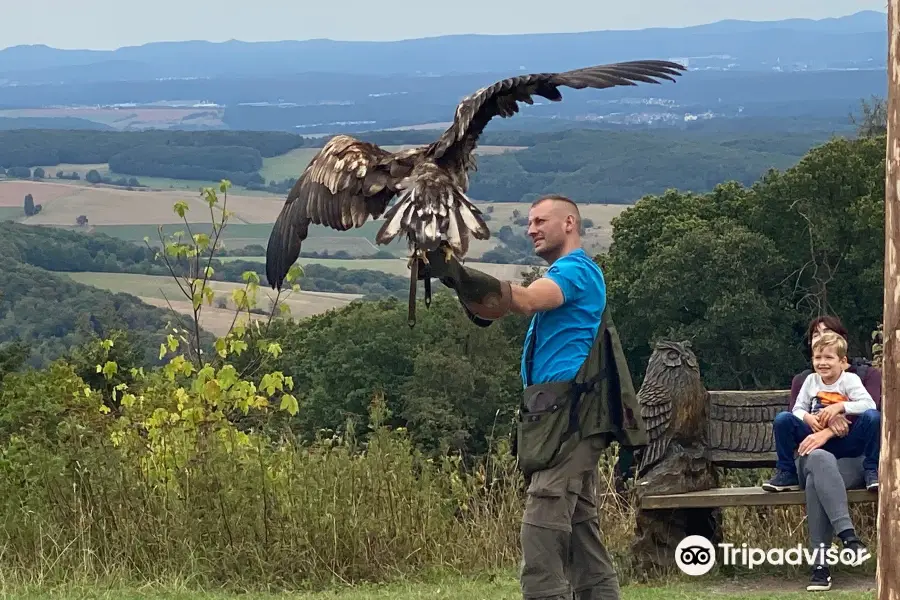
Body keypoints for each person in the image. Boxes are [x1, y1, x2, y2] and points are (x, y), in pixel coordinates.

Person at [416, 194, 647, 600]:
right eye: (529, 222)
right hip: (558, 417)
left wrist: (458, 270)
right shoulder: (566, 272)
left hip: (571, 420)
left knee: (540, 532)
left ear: (570, 224)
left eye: (541, 220)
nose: (531, 229)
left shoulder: (576, 271)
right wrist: (453, 276)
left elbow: (522, 301)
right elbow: (493, 310)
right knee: (581, 537)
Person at [767, 316, 882, 591]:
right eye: (815, 346)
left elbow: (869, 409)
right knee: (818, 458)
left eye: (827, 339)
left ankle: (820, 566)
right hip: (812, 452)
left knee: (818, 478)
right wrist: (811, 421)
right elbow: (795, 413)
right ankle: (849, 537)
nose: (822, 358)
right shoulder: (807, 381)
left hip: (846, 459)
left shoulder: (861, 378)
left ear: (843, 357)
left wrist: (836, 416)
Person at [763, 331, 879, 492]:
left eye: (829, 358)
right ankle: (787, 472)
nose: (822, 363)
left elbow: (869, 404)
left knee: (873, 417)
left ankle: (872, 470)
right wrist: (807, 417)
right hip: (814, 438)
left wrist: (840, 407)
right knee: (783, 419)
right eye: (818, 358)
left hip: (845, 439)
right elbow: (797, 409)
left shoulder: (850, 380)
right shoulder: (811, 380)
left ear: (842, 361)